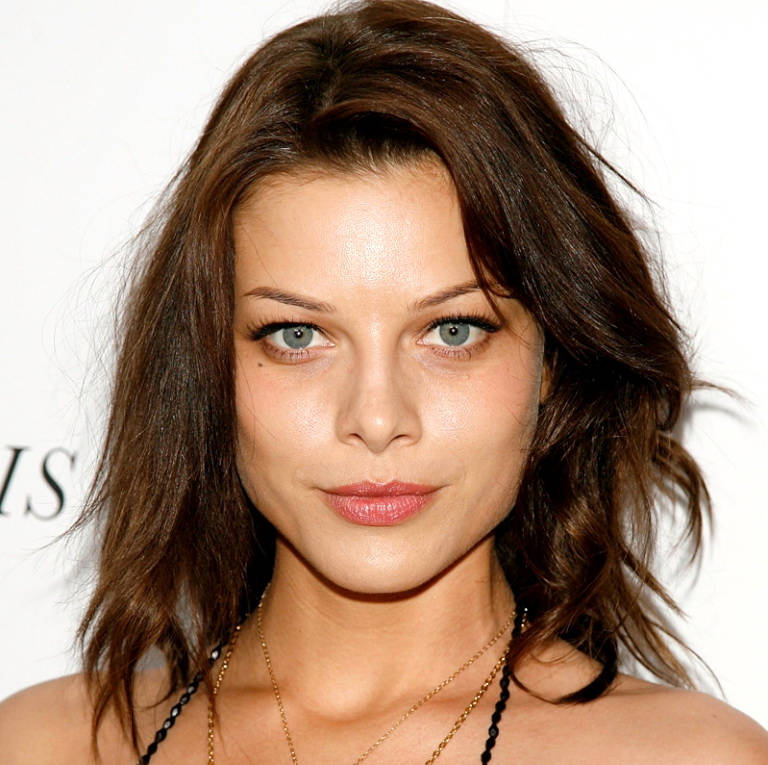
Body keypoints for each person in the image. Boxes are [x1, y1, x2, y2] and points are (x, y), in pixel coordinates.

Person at [1, 0, 767, 762]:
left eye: (453, 331)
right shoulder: (45, 743)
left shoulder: (687, 755)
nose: (375, 417)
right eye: (297, 336)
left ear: (552, 361)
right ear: (209, 365)